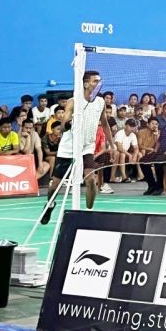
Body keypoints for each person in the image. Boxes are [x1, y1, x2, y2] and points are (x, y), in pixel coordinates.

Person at [39, 71, 112, 224]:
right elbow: (65, 123)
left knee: (91, 179)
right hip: (69, 147)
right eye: (94, 81)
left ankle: (89, 213)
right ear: (85, 84)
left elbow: (104, 123)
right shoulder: (73, 101)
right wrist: (69, 123)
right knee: (56, 184)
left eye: (99, 81)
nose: (97, 83)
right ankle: (50, 204)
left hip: (87, 146)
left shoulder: (100, 102)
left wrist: (111, 144)